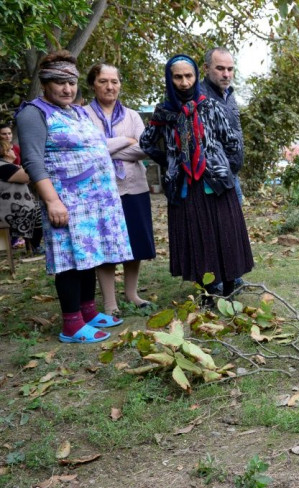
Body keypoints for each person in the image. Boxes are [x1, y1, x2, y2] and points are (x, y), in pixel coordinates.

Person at [15, 50, 132, 343]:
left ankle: (88, 312)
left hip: (95, 201)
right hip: (67, 201)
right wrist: (52, 200)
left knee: (88, 256)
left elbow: (95, 146)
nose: (67, 89)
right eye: (59, 82)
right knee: (69, 259)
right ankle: (71, 324)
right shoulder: (34, 113)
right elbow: (32, 161)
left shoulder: (77, 111)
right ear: (45, 83)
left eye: (72, 82)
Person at [140, 54, 253, 300]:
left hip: (216, 181)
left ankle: (232, 284)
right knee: (198, 235)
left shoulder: (210, 107)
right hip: (185, 185)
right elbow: (146, 142)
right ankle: (209, 288)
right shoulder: (164, 111)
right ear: (170, 79)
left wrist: (225, 168)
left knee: (225, 231)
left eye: (188, 76)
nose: (184, 82)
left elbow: (232, 143)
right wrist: (171, 161)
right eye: (178, 77)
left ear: (196, 76)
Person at [84, 63, 156, 315]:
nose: (109, 86)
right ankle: (110, 302)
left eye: (114, 81)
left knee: (134, 243)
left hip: (134, 187)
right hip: (99, 191)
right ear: (93, 83)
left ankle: (132, 293)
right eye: (103, 81)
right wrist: (127, 141)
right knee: (105, 245)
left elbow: (145, 149)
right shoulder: (82, 115)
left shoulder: (133, 116)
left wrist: (105, 148)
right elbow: (87, 150)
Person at [200, 47, 244, 204]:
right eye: (220, 68)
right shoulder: (199, 98)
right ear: (206, 68)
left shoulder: (229, 95)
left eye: (230, 69)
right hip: (212, 183)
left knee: (235, 227)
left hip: (232, 176)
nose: (226, 74)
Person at [0, 139, 43, 254]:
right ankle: (36, 245)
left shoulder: (8, 166)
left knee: (37, 209)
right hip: (9, 212)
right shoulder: (4, 167)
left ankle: (33, 245)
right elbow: (28, 177)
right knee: (41, 211)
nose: (14, 151)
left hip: (13, 208)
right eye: (11, 149)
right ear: (6, 152)